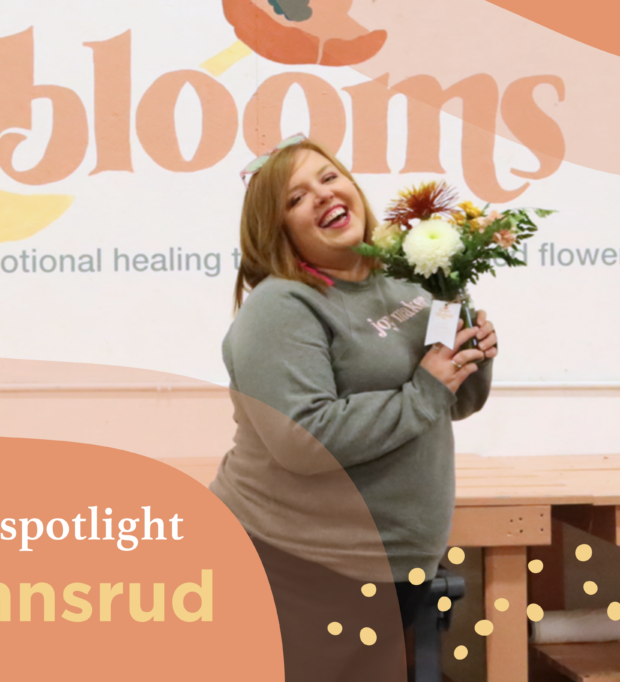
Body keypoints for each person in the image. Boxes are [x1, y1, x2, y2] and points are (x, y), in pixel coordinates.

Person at [209, 135, 498, 681]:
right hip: (295, 566)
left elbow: (453, 405)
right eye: (294, 199)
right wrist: (425, 389)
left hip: (393, 567)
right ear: (280, 234)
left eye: (327, 177)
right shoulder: (280, 307)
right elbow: (303, 439)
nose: (321, 196)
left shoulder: (406, 276)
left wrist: (470, 360)